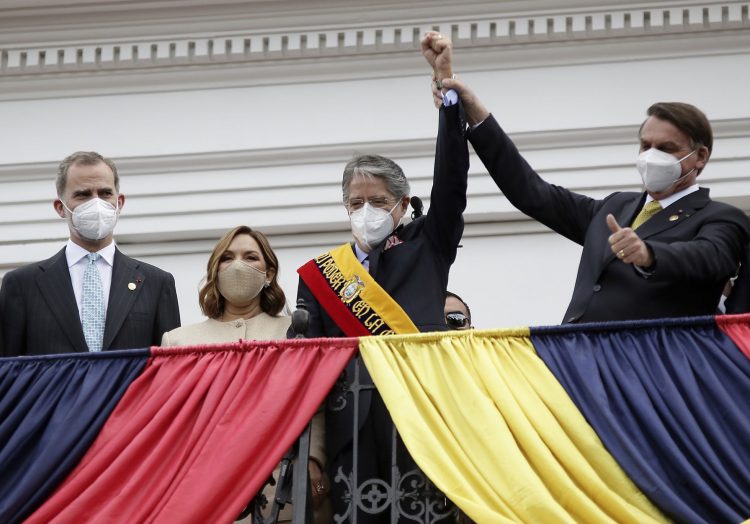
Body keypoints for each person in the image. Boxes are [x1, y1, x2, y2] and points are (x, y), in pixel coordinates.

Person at [428, 34, 750, 323]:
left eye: (667, 148)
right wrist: (474, 111)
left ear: (700, 157)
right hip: (581, 359)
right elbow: (531, 192)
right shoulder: (615, 207)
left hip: (653, 369)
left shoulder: (722, 218)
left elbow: (708, 258)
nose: (652, 154)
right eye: (645, 145)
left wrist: (650, 254)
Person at [290, 32, 469, 522]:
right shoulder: (321, 275)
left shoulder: (428, 245)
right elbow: (310, 366)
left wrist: (447, 97)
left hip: (421, 426)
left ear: (403, 206)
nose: (364, 211)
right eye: (355, 203)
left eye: (376, 202)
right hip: (353, 435)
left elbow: (452, 179)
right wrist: (312, 451)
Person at [161, 225, 329, 523]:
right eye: (227, 257)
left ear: (268, 273)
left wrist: (313, 461)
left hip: (282, 489)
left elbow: (314, 402)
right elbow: (171, 426)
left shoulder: (295, 332)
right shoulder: (178, 341)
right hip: (205, 493)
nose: (238, 264)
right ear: (215, 271)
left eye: (251, 256)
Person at [0, 151, 180, 356]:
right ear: (60, 207)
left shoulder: (156, 283)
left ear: (119, 202)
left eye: (105, 193)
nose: (96, 202)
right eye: (83, 194)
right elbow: (8, 370)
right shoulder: (23, 285)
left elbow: (170, 368)